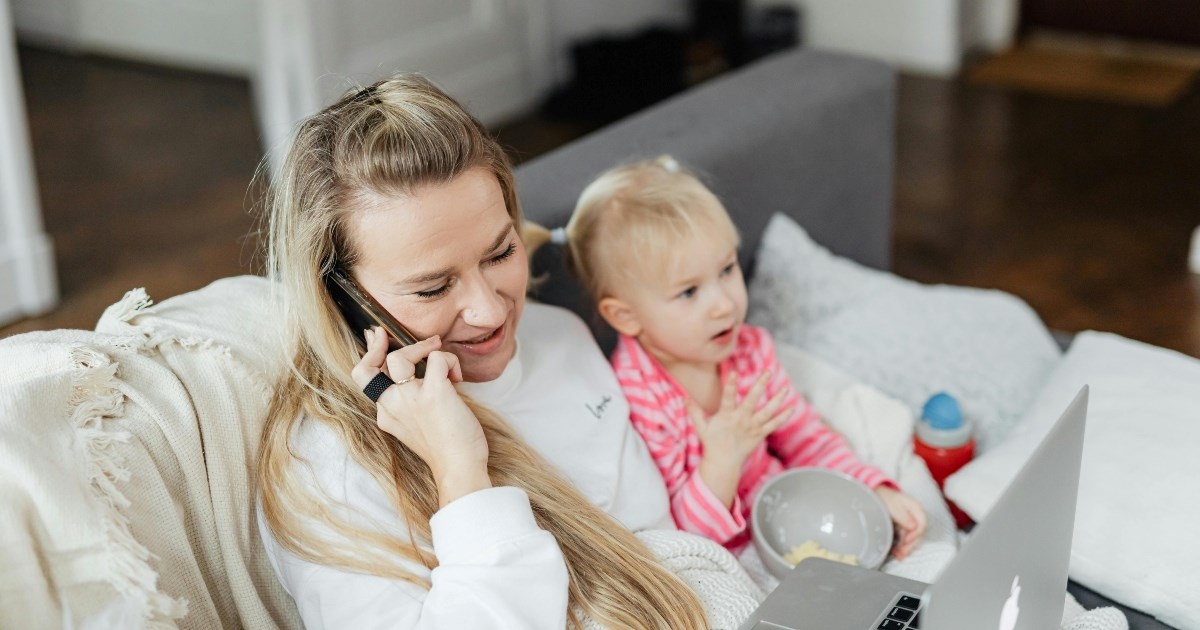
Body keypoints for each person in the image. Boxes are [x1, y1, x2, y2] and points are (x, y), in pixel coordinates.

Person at [254, 76, 713, 629]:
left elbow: (664, 539)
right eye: (432, 288)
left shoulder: (560, 334)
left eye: (500, 253)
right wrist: (458, 470)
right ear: (343, 298)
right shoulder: (332, 474)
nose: (492, 313)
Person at [548, 155, 927, 559]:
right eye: (689, 292)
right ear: (626, 316)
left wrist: (872, 488)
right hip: (718, 554)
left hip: (784, 518)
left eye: (727, 269)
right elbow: (678, 537)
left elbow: (803, 437)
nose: (725, 305)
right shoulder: (637, 404)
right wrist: (722, 461)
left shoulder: (749, 353)